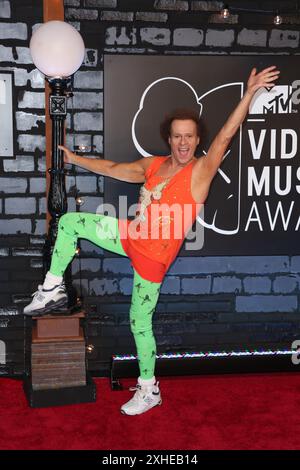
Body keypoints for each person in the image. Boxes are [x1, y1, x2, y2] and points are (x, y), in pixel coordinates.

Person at [23, 66, 280, 415]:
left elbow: (227, 134)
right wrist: (76, 159)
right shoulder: (154, 165)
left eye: (189, 136)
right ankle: (53, 288)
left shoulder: (200, 172)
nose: (184, 142)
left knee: (138, 322)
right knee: (70, 222)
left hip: (152, 260)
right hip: (131, 236)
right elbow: (115, 168)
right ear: (169, 139)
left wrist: (249, 94)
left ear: (197, 140)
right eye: (177, 136)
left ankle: (149, 389)